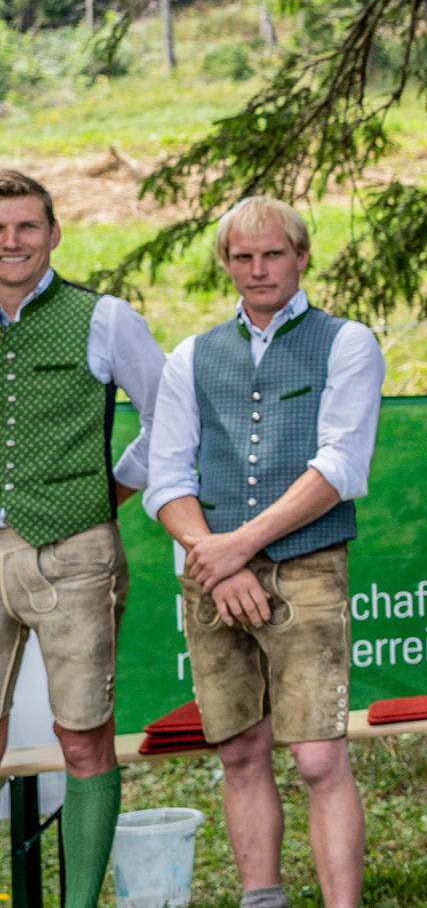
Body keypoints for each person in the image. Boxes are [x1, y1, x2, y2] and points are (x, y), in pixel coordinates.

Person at [144, 196, 384, 908]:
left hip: (306, 566)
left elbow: (341, 465)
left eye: (273, 253)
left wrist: (236, 548)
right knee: (241, 752)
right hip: (212, 574)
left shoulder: (347, 342)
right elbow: (166, 478)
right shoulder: (191, 355)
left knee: (317, 755)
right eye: (243, 257)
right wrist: (217, 560)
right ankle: (262, 898)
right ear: (227, 263)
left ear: (302, 255)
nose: (258, 269)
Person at [0, 169, 165, 908]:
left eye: (27, 226)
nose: (12, 242)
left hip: (76, 552)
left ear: (54, 233)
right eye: (0, 229)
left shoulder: (103, 318)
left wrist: (112, 491)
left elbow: (171, 419)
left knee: (84, 737)